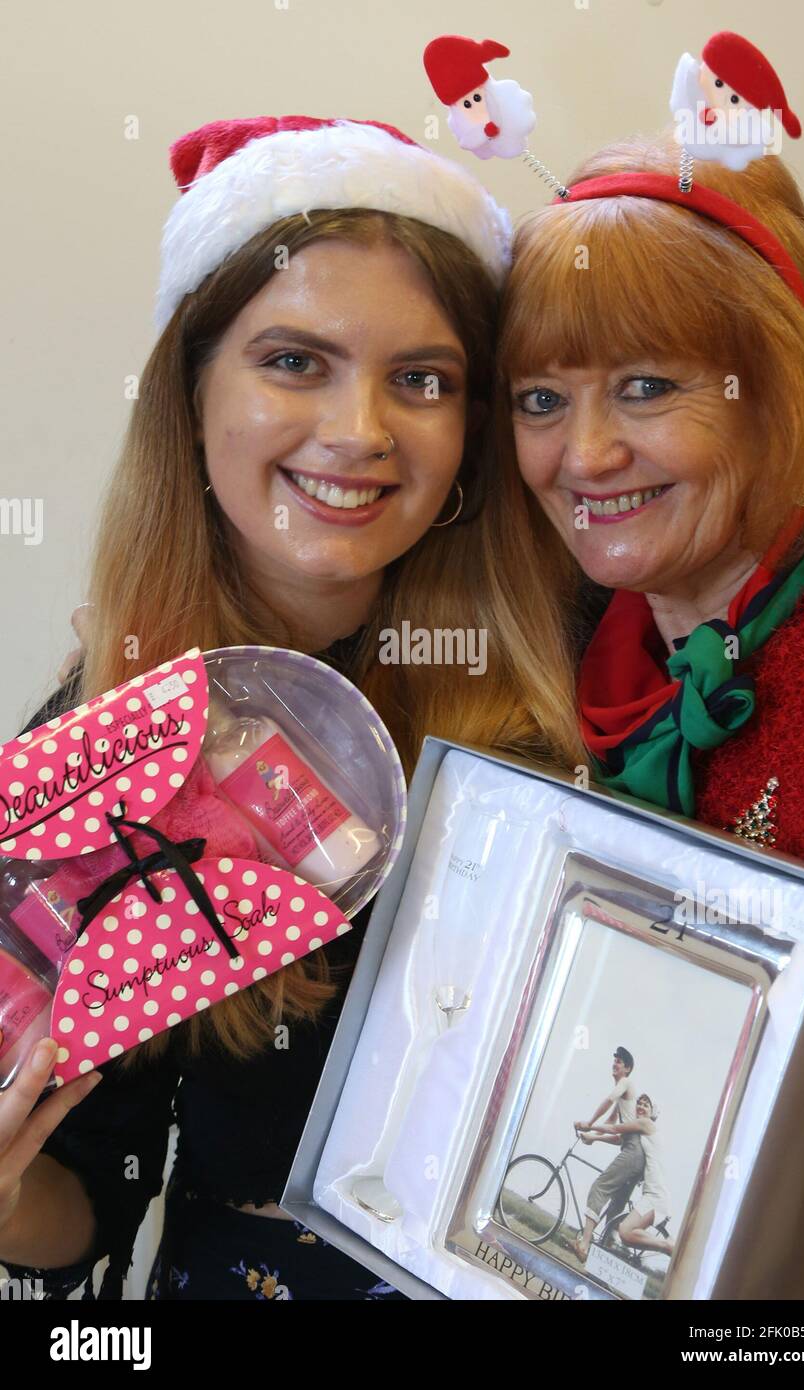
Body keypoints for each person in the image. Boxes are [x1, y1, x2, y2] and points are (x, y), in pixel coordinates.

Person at [0, 114, 580, 1301]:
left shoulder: (579, 675)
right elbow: (90, 1197)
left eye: (420, 379)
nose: (359, 432)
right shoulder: (104, 738)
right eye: (293, 361)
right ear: (190, 392)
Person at [493, 129, 804, 1280]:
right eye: (541, 399)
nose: (584, 453)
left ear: (777, 385)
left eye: (648, 386)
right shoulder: (555, 640)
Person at [572, 1046, 644, 1263]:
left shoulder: (625, 1084)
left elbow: (608, 1100)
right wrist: (593, 1136)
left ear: (628, 1068)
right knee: (614, 1211)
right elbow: (617, 1134)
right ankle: (606, 1258)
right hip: (635, 1155)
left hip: (633, 1153)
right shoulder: (625, 1104)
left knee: (599, 1187)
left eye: (620, 1062)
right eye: (614, 1060)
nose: (615, 1064)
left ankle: (584, 1245)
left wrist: (589, 1123)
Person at [594, 1093, 674, 1258]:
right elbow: (620, 1138)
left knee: (626, 1231)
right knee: (622, 1230)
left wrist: (589, 1126)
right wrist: (593, 1137)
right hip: (653, 1194)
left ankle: (669, 1246)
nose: (640, 1106)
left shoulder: (646, 1124)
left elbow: (615, 1128)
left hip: (655, 1197)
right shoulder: (643, 1132)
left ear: (653, 1113)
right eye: (639, 1103)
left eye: (646, 1105)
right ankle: (608, 1250)